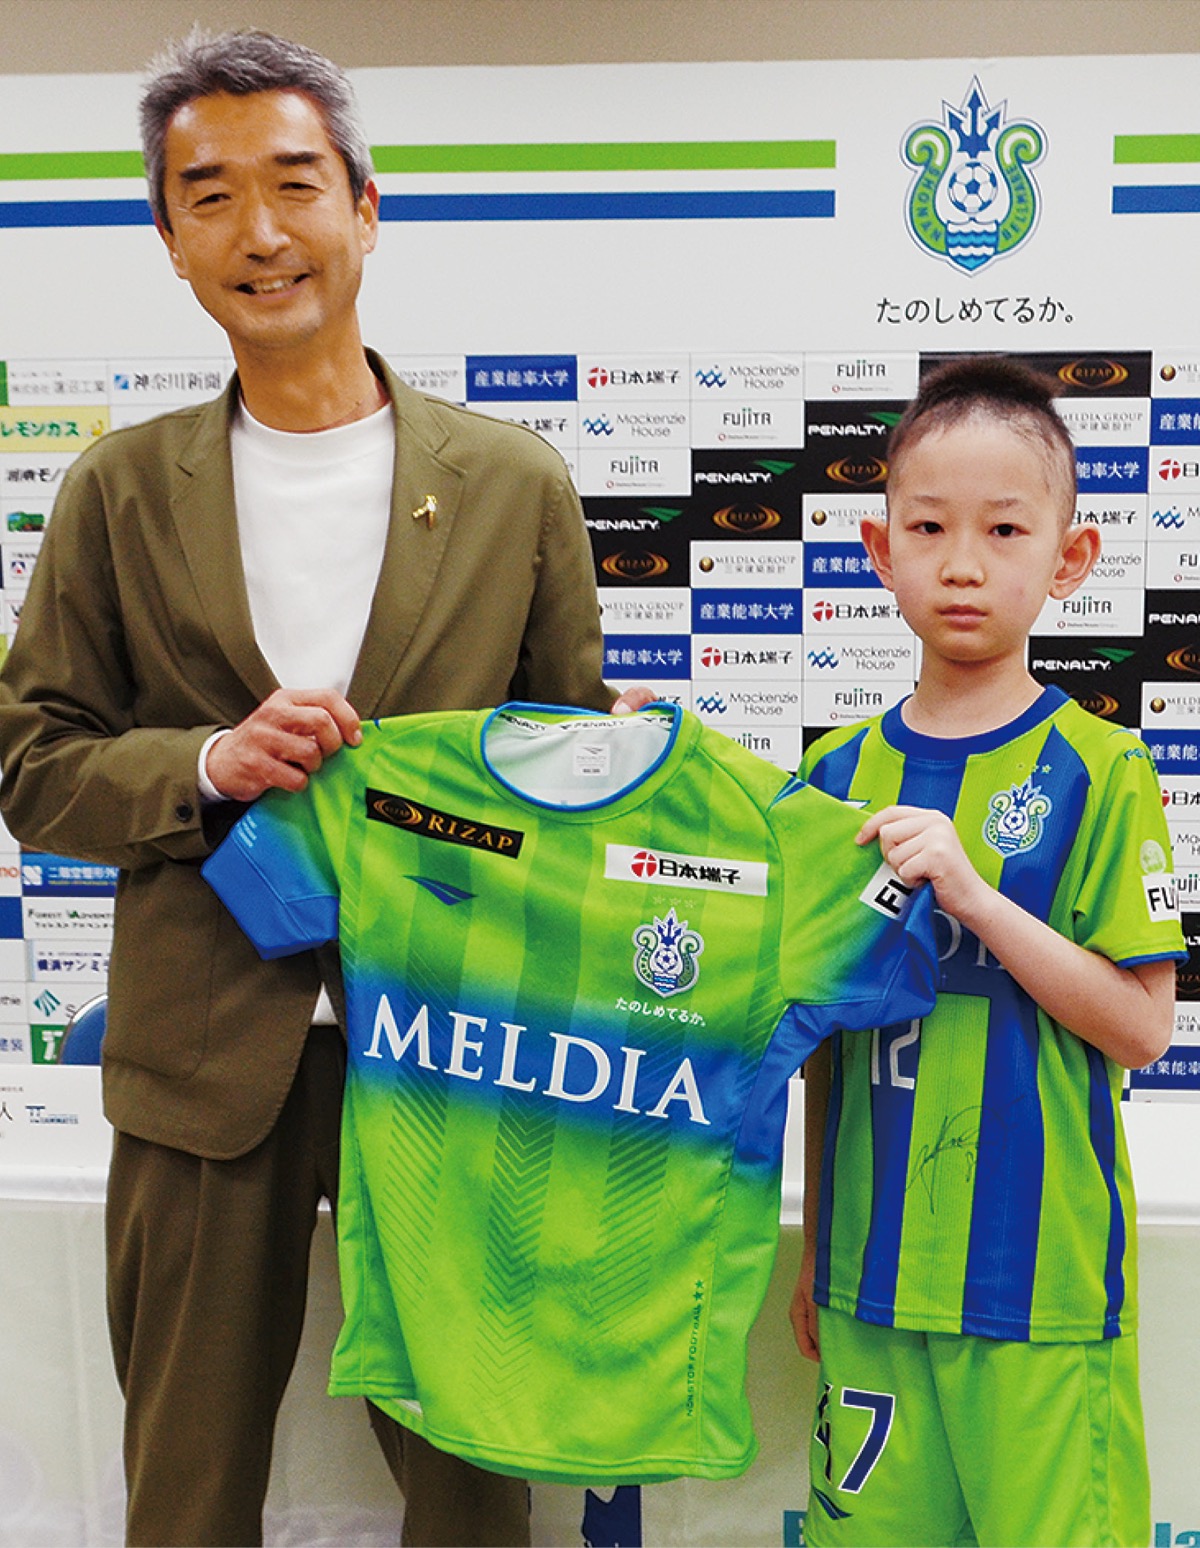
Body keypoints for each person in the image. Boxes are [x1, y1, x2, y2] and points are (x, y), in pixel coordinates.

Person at [0, 28, 647, 1548]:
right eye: (209, 195)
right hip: (201, 1058)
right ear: (168, 239)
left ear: (365, 206)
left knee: (472, 1476)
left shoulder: (513, 483)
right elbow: (34, 765)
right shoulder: (116, 491)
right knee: (188, 1477)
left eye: (295, 184)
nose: (261, 231)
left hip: (459, 1043)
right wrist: (206, 765)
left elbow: (565, 768)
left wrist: (612, 770)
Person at [788, 355, 1185, 1547]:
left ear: (1070, 557)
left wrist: (974, 896)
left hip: (1036, 1289)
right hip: (868, 1283)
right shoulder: (833, 776)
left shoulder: (1104, 769)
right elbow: (818, 1042)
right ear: (879, 549)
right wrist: (817, 1253)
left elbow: (1142, 1028)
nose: (963, 563)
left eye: (1005, 529)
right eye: (929, 528)